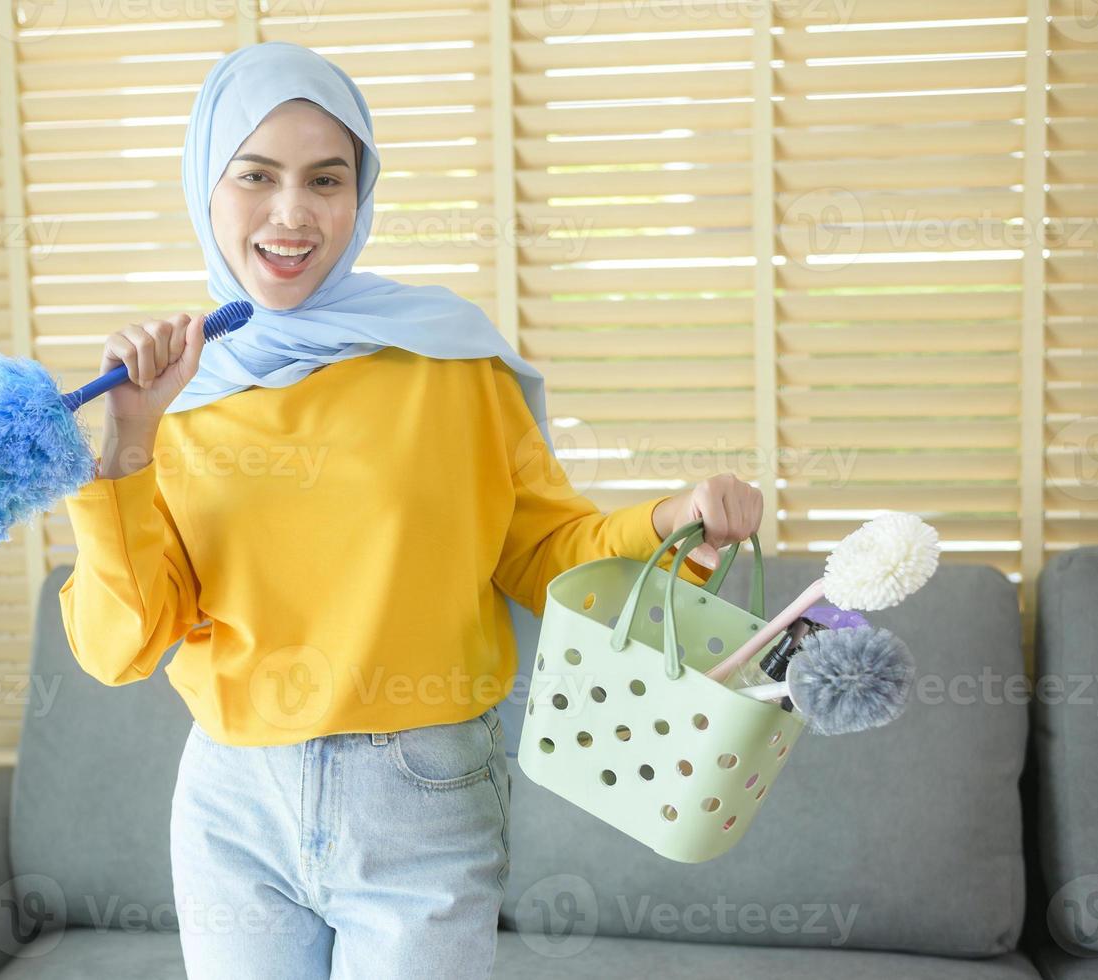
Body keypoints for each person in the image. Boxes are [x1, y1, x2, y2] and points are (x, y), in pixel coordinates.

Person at [59, 40, 762, 980]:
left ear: (363, 193)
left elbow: (540, 550)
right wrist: (129, 447)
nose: (292, 213)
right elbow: (121, 646)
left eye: (326, 179)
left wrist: (672, 516)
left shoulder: (450, 362)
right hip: (233, 799)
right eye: (254, 177)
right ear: (204, 187)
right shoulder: (173, 393)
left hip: (422, 793)